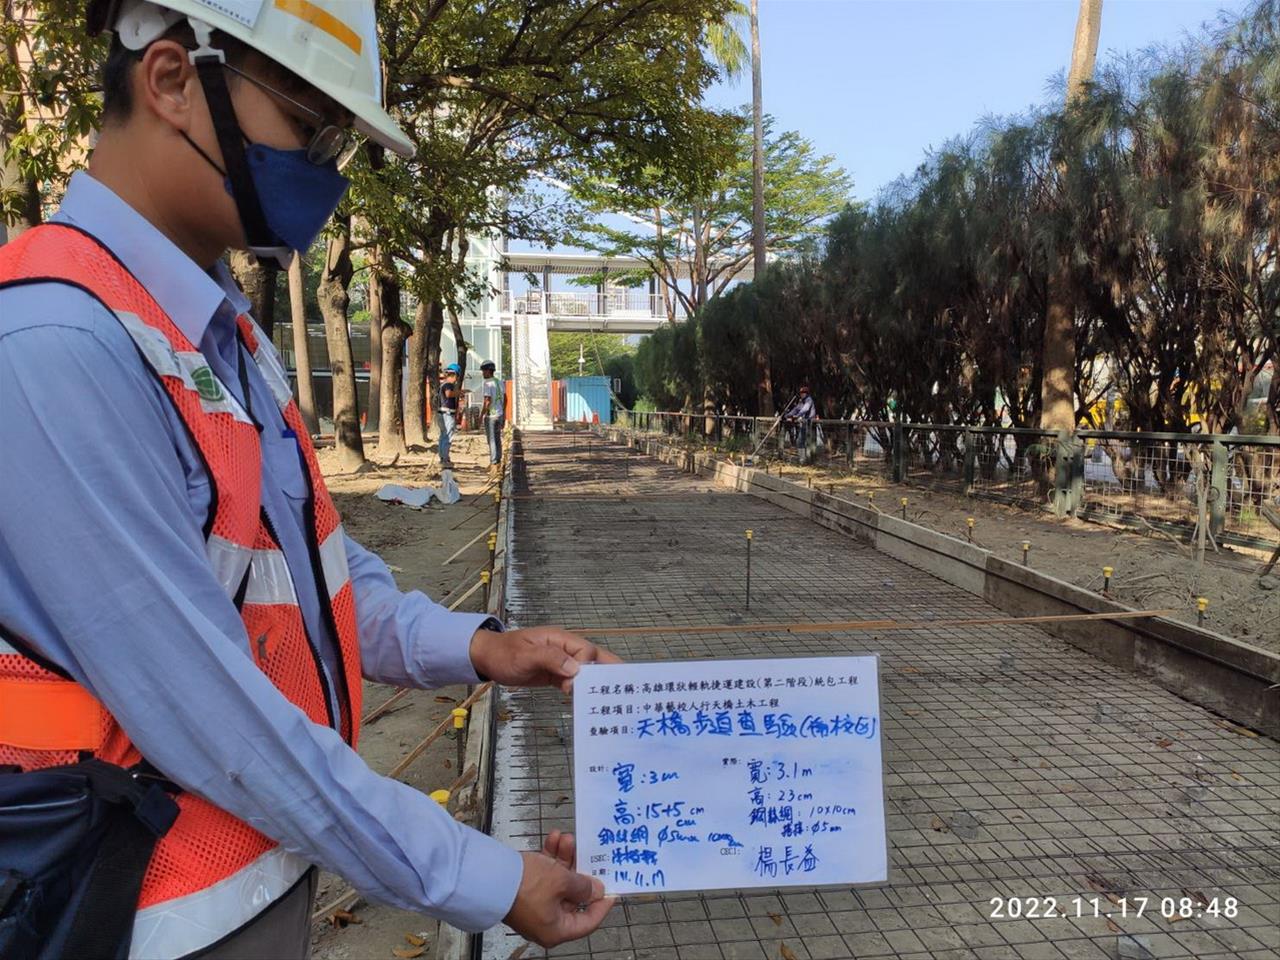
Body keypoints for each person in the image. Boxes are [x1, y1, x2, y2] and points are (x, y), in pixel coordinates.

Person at [0, 2, 618, 957]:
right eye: (307, 125)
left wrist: (484, 646)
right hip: (131, 913)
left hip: (262, 880)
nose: (325, 172)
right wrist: (484, 877)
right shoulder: (55, 347)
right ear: (171, 81)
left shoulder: (224, 339)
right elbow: (215, 718)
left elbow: (318, 578)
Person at [480, 359, 503, 478]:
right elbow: (505, 398)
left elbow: (487, 401)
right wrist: (503, 413)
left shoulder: (487, 383)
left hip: (491, 416)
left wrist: (481, 415)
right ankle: (498, 462)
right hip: (500, 414)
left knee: (492, 440)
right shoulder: (499, 382)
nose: (482, 373)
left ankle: (493, 464)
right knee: (498, 439)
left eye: (483, 371)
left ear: (489, 371)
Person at [785, 385, 820, 464]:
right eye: (801, 393)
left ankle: (810, 460)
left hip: (810, 424)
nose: (801, 394)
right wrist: (787, 415)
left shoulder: (809, 400)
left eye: (803, 393)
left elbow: (805, 409)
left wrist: (797, 416)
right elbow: (796, 409)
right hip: (804, 423)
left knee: (809, 442)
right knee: (800, 441)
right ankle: (802, 460)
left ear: (806, 393)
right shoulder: (802, 401)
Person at [439, 362, 461, 469]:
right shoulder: (448, 385)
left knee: (443, 436)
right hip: (447, 414)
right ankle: (445, 459)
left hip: (442, 414)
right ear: (455, 375)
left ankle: (443, 457)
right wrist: (460, 392)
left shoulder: (442, 384)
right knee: (448, 437)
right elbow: (448, 394)